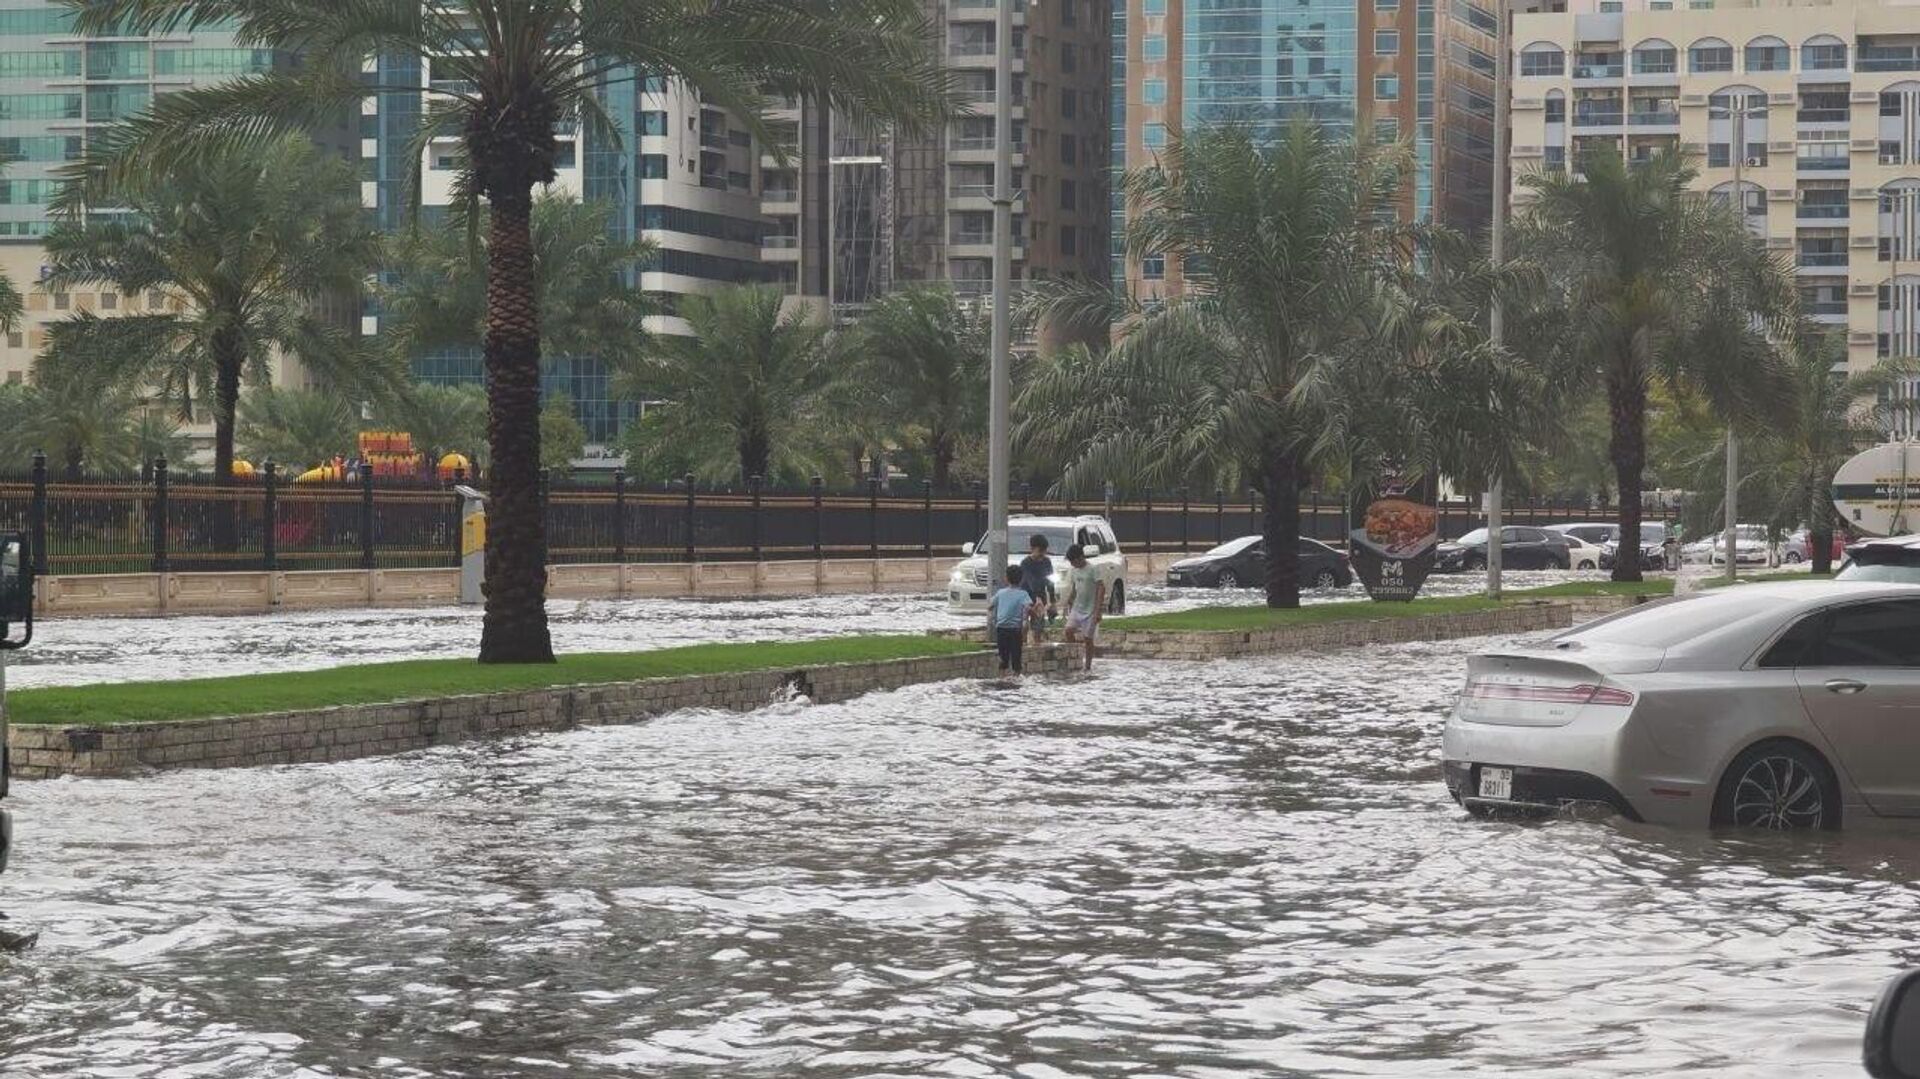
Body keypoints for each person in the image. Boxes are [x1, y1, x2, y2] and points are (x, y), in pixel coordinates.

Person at [1061, 543, 1105, 671]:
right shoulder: (1074, 571)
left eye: (1073, 561)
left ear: (1080, 558)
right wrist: (1068, 601)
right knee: (1068, 630)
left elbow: (1101, 588)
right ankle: (1076, 656)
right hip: (1077, 607)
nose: (1072, 564)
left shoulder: (1093, 569)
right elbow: (1075, 588)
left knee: (1088, 638)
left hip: (1091, 609)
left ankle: (1088, 666)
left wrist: (1098, 610)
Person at [987, 564, 1034, 677]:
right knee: (1016, 654)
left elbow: (990, 606)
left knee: (1003, 655)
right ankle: (1016, 677)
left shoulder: (1000, 593)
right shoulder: (1023, 594)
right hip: (1015, 629)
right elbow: (1028, 608)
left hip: (1001, 628)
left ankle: (1002, 676)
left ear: (1006, 578)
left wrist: (993, 618)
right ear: (1021, 579)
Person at [1017, 533, 1057, 642]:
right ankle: (1022, 645)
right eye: (1040, 551)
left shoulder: (1047, 562)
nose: (1042, 554)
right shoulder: (1025, 563)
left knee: (1038, 627)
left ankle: (1037, 645)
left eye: (1044, 551)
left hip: (1041, 597)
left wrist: (1052, 601)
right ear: (1032, 548)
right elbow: (1030, 581)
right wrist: (1037, 598)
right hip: (1026, 597)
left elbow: (1050, 581)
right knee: (1024, 625)